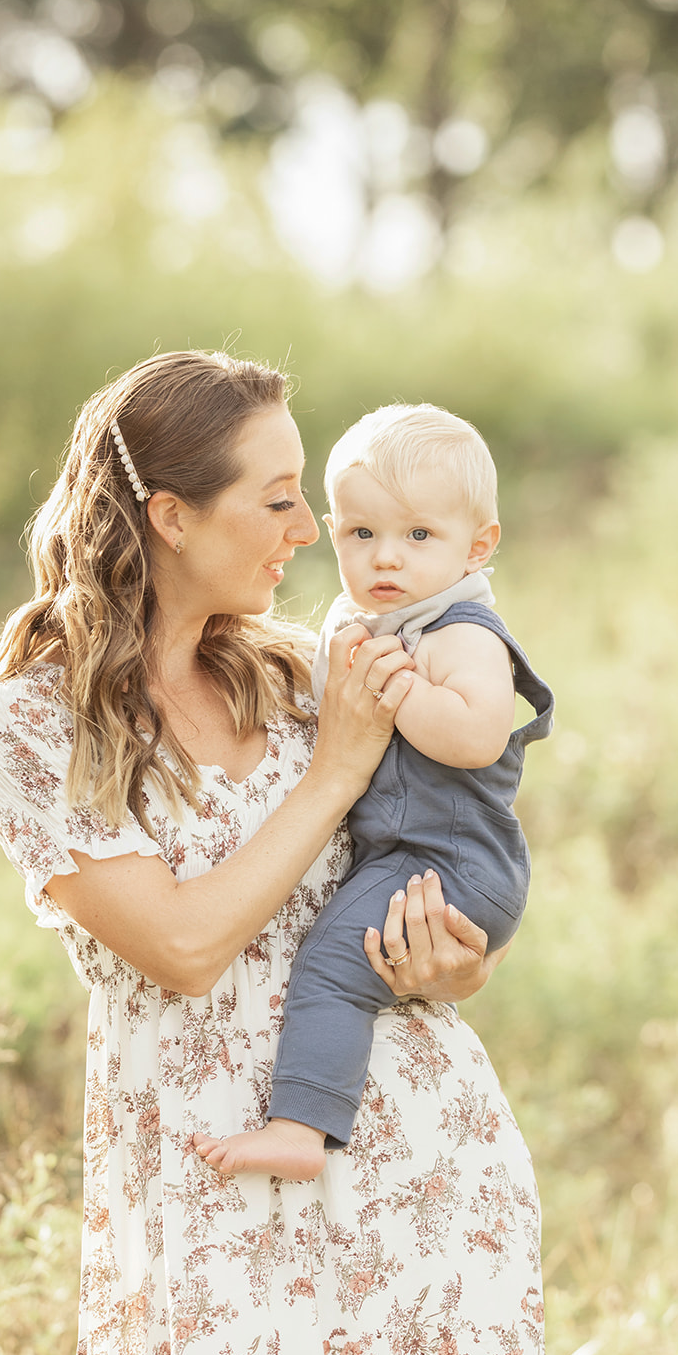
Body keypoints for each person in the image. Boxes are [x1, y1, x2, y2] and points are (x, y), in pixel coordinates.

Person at [0, 351, 546, 1355]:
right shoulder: (32, 723)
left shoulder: (307, 672)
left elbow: (441, 849)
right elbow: (180, 946)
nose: (307, 530)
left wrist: (456, 962)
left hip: (420, 1161)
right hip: (211, 1169)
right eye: (275, 500)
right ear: (172, 516)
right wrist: (334, 773)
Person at [194, 404, 553, 1183]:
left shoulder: (460, 633)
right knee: (343, 959)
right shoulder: (372, 625)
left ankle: (301, 1125)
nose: (386, 558)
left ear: (477, 546)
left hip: (450, 862)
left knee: (329, 964)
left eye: (418, 536)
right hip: (418, 853)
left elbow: (475, 737)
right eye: (363, 535)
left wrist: (394, 694)